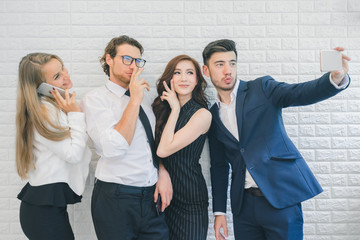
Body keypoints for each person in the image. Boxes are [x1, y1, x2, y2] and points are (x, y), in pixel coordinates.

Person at [202, 39, 351, 240]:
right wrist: (219, 212)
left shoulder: (261, 89)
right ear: (206, 70)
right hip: (243, 208)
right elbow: (219, 166)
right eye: (220, 64)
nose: (228, 70)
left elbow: (299, 93)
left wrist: (334, 78)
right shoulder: (211, 116)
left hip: (281, 200)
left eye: (232, 63)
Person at [81, 35, 172, 240]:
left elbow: (152, 142)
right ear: (109, 59)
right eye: (126, 59)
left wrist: (162, 171)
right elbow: (113, 148)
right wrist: (134, 100)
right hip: (116, 197)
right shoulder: (95, 100)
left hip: (151, 196)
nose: (133, 66)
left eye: (138, 61)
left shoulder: (146, 97)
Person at [16, 53, 91, 240]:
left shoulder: (54, 107)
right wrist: (76, 114)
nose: (66, 75)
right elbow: (73, 154)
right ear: (42, 87)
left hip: (44, 209)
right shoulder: (45, 111)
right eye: (57, 76)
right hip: (42, 212)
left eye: (62, 68)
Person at [152, 55, 212, 240]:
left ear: (197, 81)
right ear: (169, 78)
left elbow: (163, 149)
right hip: (161, 195)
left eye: (189, 73)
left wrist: (176, 109)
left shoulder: (202, 114)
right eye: (177, 73)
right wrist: (162, 170)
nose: (183, 78)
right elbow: (153, 151)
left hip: (190, 198)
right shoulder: (160, 108)